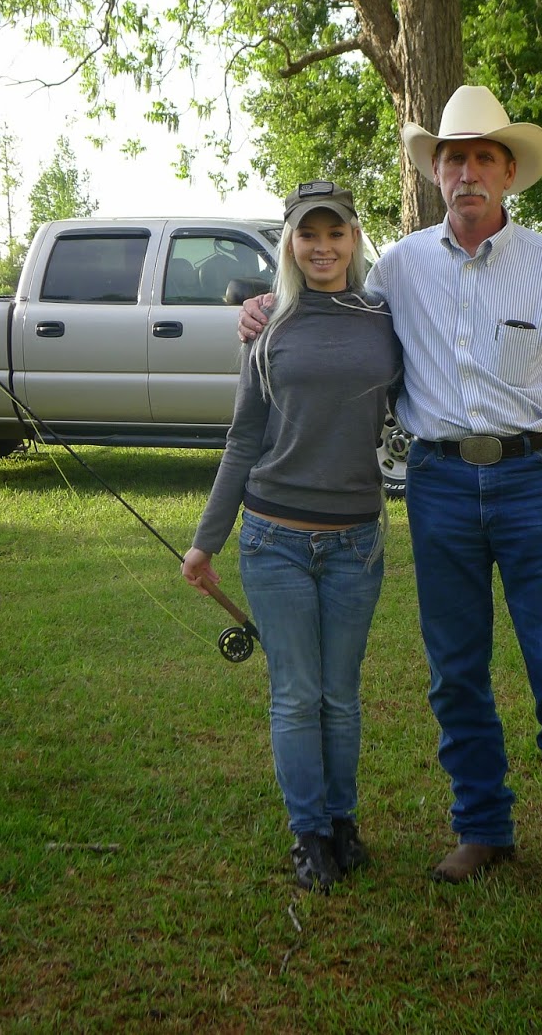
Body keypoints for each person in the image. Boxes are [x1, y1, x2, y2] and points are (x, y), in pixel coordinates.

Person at [240, 86, 542, 914]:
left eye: (484, 157)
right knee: (455, 673)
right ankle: (482, 828)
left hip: (533, 481)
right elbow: (331, 309)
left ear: (509, 173)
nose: (468, 173)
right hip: (440, 483)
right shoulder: (399, 269)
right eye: (454, 159)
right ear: (436, 173)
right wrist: (266, 306)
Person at [182, 182, 400, 894]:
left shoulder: (385, 317)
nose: (323, 247)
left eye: (336, 233)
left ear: (355, 240)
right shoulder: (267, 325)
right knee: (296, 695)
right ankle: (308, 834)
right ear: (290, 244)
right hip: (273, 539)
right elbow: (243, 437)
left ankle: (343, 824)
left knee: (341, 696)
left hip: (356, 544)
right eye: (309, 235)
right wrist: (206, 541)